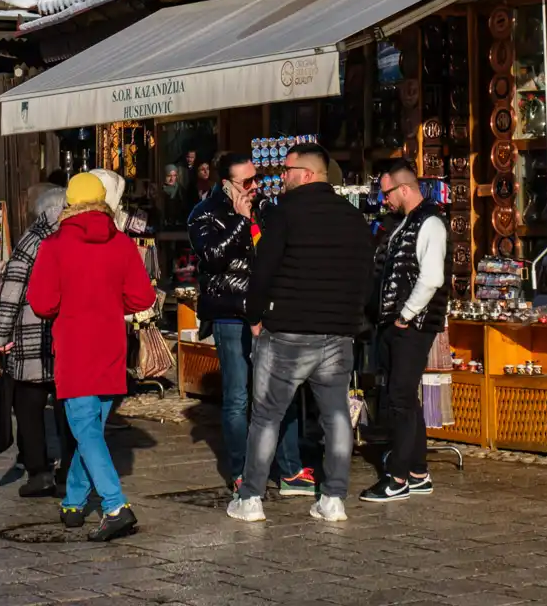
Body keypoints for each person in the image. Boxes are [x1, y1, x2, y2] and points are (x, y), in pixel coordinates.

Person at [227, 143, 374, 525]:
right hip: (337, 332)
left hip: (287, 331)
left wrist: (255, 316)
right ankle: (334, 497)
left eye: (287, 170)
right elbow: (365, 274)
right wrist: (352, 319)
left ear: (306, 174)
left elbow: (264, 270)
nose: (281, 177)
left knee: (266, 416)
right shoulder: (354, 218)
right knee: (337, 416)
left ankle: (251, 498)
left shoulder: (284, 213)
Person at [26, 173, 156, 542]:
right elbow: (143, 297)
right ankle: (73, 502)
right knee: (91, 431)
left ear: (69, 203)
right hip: (111, 345)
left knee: (84, 429)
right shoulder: (121, 244)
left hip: (74, 346)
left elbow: (42, 302)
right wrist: (113, 305)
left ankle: (115, 507)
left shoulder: (54, 246)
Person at [188, 153, 311, 496]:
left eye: (256, 179)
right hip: (231, 312)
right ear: (226, 185)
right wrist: (241, 223)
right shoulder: (204, 214)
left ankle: (289, 470)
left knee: (278, 392)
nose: (255, 187)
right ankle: (242, 470)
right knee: (239, 397)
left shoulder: (266, 209)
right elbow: (212, 257)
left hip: (269, 310)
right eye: (246, 182)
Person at [361, 160, 447, 503]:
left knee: (399, 398)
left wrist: (405, 315)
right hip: (399, 323)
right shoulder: (403, 223)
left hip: (414, 325)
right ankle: (417, 470)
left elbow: (431, 278)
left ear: (405, 189)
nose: (384, 200)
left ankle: (397, 477)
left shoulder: (431, 223)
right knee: (405, 399)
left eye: (387, 193)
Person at [0, 185, 75, 498]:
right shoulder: (73, 235)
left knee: (29, 403)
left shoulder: (34, 237)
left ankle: (39, 471)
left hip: (33, 333)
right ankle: (70, 471)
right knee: (67, 405)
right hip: (67, 332)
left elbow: (12, 290)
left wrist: (1, 336)